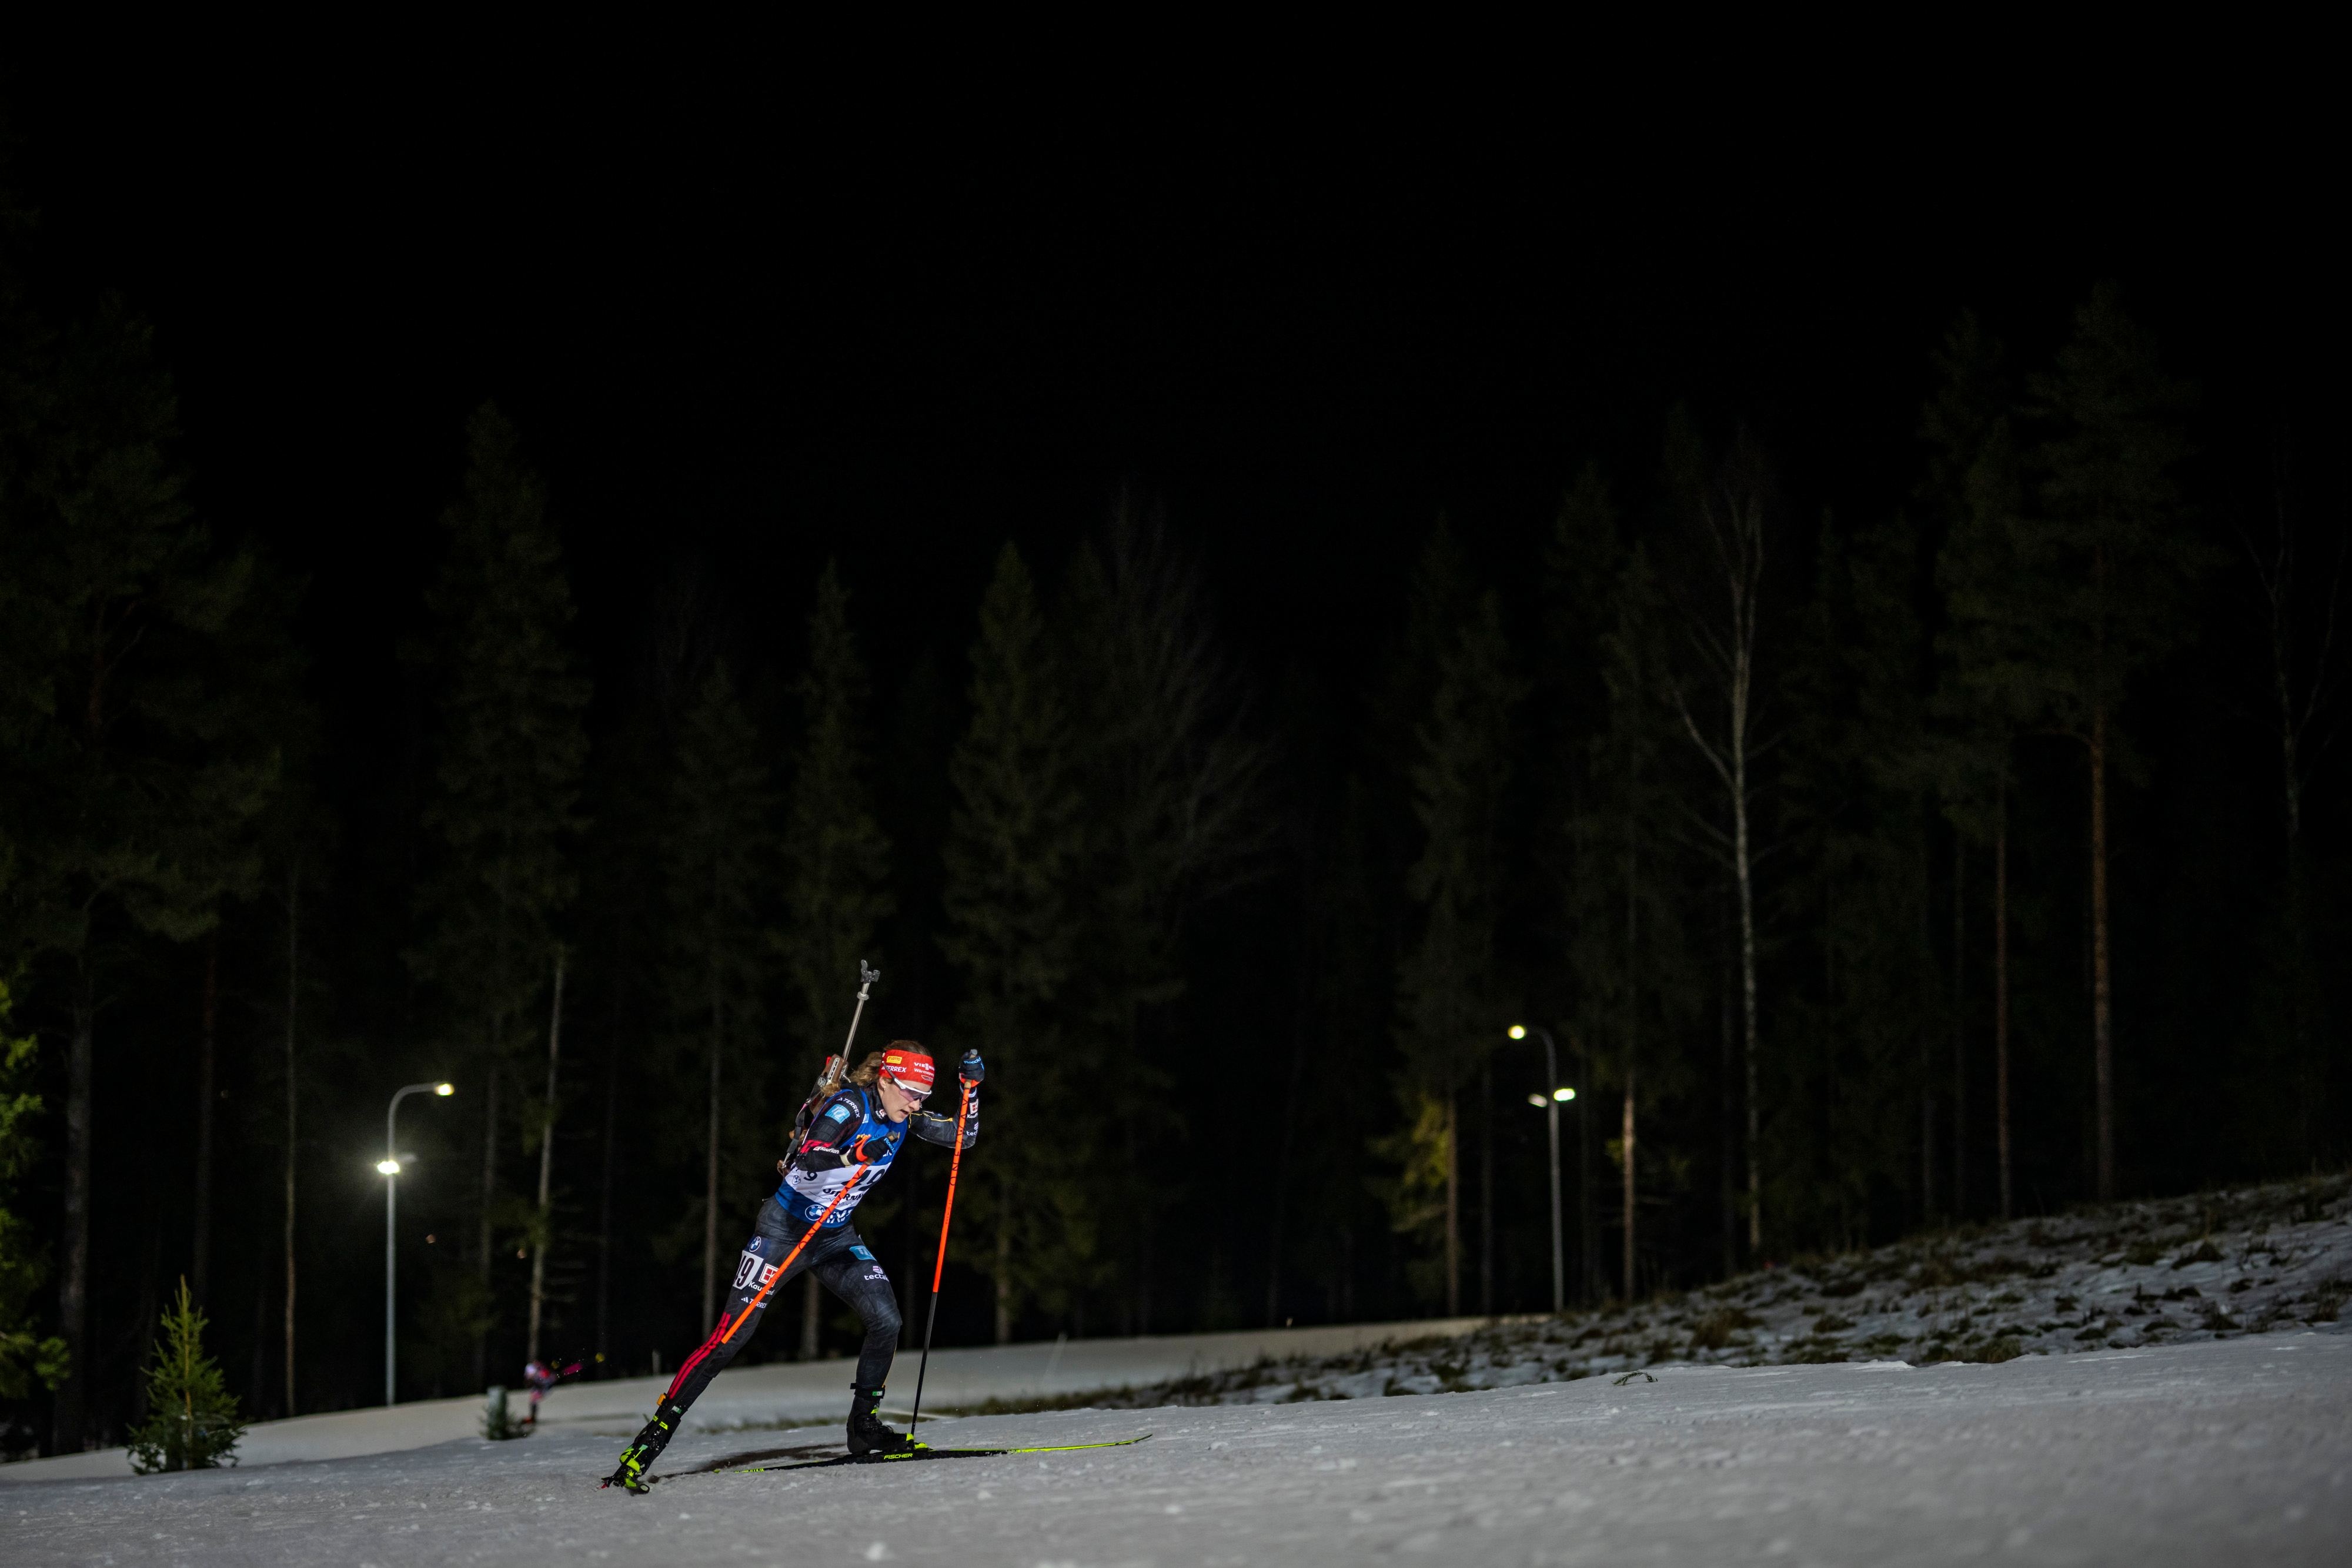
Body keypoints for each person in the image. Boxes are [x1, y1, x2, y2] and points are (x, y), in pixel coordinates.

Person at [604, 1042, 982, 1492]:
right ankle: (650, 1441)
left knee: (887, 1320)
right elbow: (812, 1151)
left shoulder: (905, 1115)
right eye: (912, 1092)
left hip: (834, 1236)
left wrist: (970, 1089)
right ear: (885, 1080)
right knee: (729, 1338)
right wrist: (855, 1154)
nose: (919, 1102)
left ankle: (863, 1427)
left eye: (925, 1093)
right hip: (783, 1232)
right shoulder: (849, 1105)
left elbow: (964, 1135)